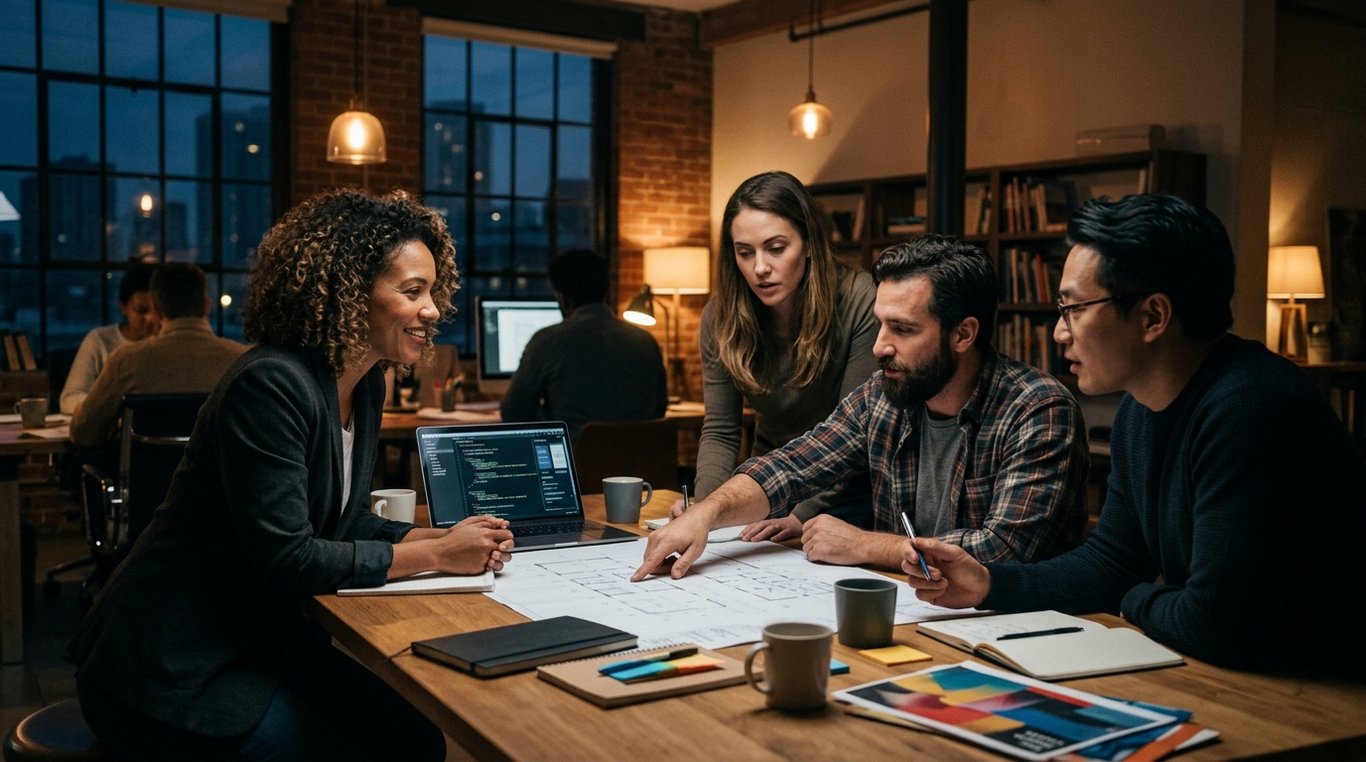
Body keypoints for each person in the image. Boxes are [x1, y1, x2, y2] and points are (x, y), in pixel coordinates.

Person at [69, 189, 516, 760]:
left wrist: (439, 537)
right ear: (350, 294)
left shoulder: (366, 383)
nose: (434, 309)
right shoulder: (271, 383)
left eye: (433, 290)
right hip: (170, 664)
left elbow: (343, 517)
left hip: (259, 639)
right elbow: (289, 558)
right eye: (413, 291)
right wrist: (435, 556)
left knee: (417, 740)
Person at [900, 194, 1366, 676]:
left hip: (1328, 695)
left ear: (1153, 317)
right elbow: (1112, 561)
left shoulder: (1250, 410)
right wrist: (988, 584)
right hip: (1248, 676)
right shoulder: (1140, 410)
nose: (1060, 332)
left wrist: (1137, 598)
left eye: (1074, 308)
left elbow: (1212, 623)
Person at [634, 235, 1090, 580]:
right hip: (913, 608)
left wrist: (869, 546)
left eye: (903, 329)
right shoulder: (885, 394)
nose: (879, 346)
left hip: (1012, 632)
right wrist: (704, 514)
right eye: (879, 324)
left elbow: (1004, 550)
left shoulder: (1038, 409)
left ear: (963, 334)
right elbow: (793, 464)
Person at [692, 170, 879, 536]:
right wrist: (703, 509)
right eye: (745, 253)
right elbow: (720, 431)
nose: (760, 267)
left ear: (809, 243)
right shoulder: (721, 315)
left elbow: (856, 436)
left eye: (776, 248)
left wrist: (802, 515)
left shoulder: (861, 300)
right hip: (770, 483)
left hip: (850, 492)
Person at [68, 263, 248, 447]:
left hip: (144, 474)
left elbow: (83, 433)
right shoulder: (241, 361)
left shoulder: (126, 361)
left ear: (155, 307)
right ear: (207, 306)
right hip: (217, 475)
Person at [500, 248, 667, 441]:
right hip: (642, 465)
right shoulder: (645, 341)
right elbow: (659, 408)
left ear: (562, 297)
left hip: (576, 466)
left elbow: (514, 411)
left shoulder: (547, 341)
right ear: (605, 291)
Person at [60, 262, 160, 414]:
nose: (151, 318)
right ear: (123, 307)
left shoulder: (170, 343)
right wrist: (110, 404)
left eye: (157, 309)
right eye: (141, 310)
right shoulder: (100, 341)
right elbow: (69, 398)